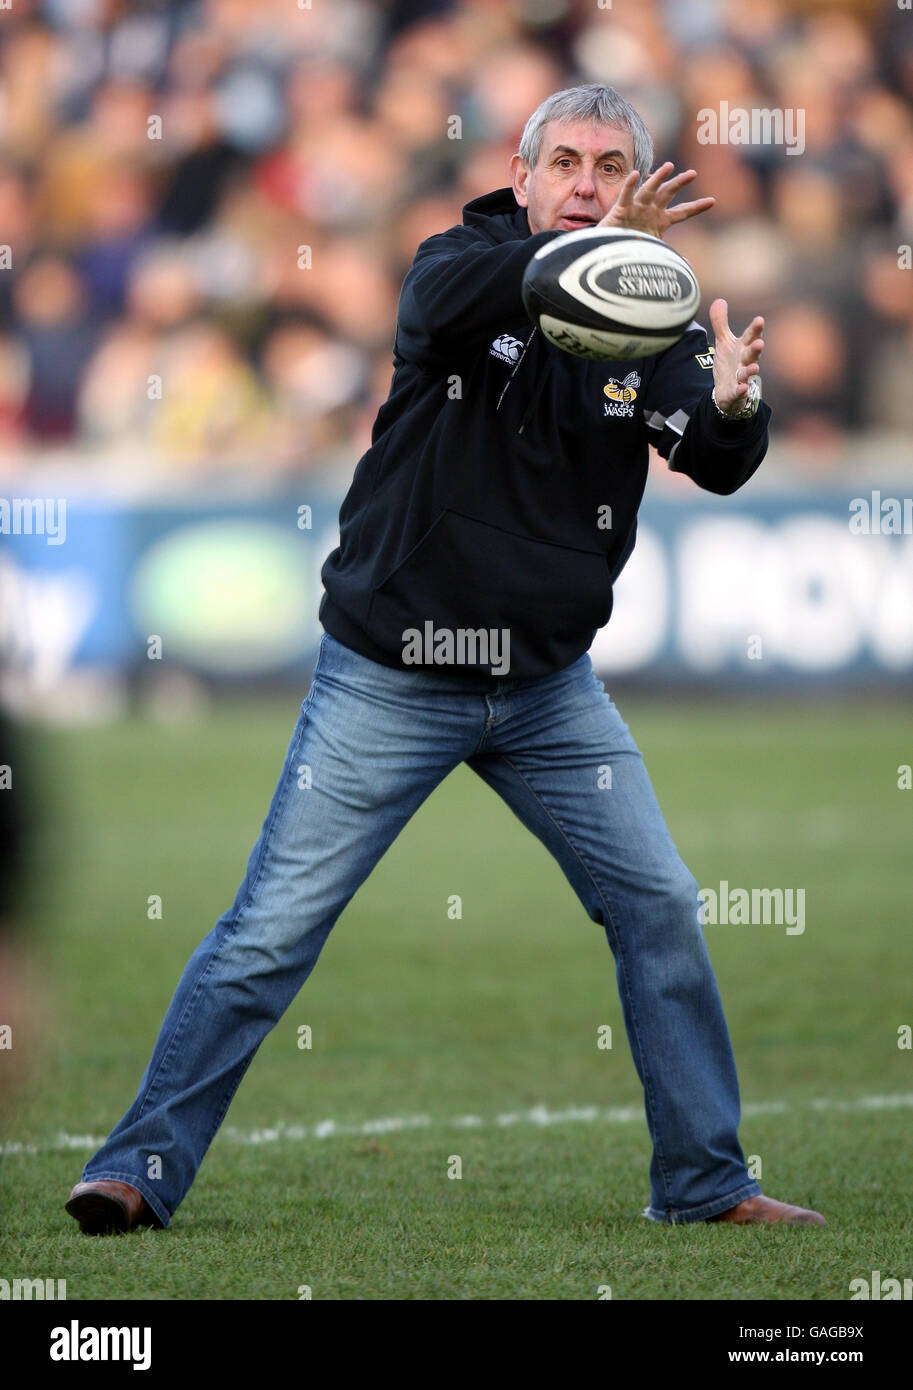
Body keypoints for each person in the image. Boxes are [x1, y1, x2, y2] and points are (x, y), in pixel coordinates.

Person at [66, 83, 825, 1236]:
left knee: (661, 904)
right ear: (519, 179)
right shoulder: (459, 262)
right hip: (392, 672)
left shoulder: (657, 316)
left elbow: (713, 459)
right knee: (272, 932)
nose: (583, 183)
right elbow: (440, 304)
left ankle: (705, 1185)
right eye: (563, 161)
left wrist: (729, 404)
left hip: (546, 690)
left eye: (610, 167)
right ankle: (136, 1167)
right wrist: (604, 253)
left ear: (637, 183)